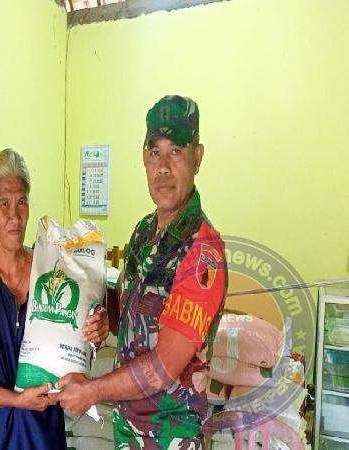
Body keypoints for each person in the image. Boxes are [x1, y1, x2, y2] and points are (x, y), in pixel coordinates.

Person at [53, 96, 228, 449]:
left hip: (170, 437)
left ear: (197, 157)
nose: (163, 167)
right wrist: (106, 324)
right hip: (128, 430)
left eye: (176, 151)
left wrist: (92, 390)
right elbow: (133, 325)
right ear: (144, 158)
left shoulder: (202, 253)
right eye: (154, 152)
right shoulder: (143, 233)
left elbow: (163, 367)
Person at [0, 149, 110, 450]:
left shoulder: (50, 270)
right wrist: (17, 399)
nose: (14, 216)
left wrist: (95, 332)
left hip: (41, 436)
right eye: (4, 203)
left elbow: (75, 344)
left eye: (21, 202)